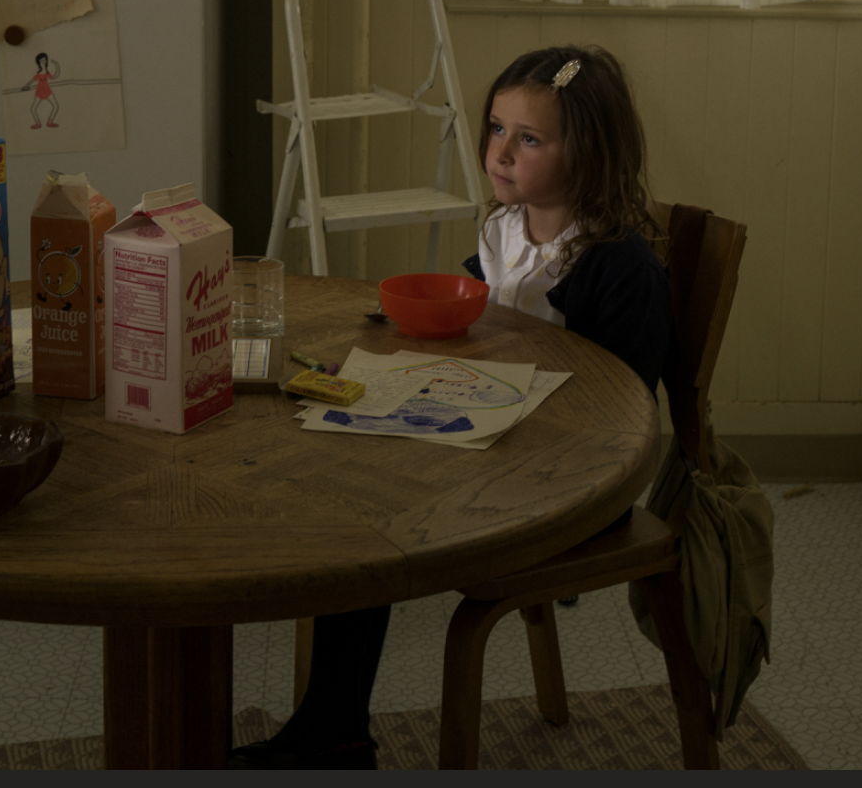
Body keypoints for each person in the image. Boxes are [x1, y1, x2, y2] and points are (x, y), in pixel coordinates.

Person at [228, 45, 672, 771]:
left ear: (590, 153)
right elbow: (478, 322)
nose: (500, 153)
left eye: (529, 139)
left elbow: (620, 421)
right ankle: (332, 729)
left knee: (371, 513)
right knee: (354, 492)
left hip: (576, 486)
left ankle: (330, 732)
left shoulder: (619, 267)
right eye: (496, 128)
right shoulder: (507, 229)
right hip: (498, 437)